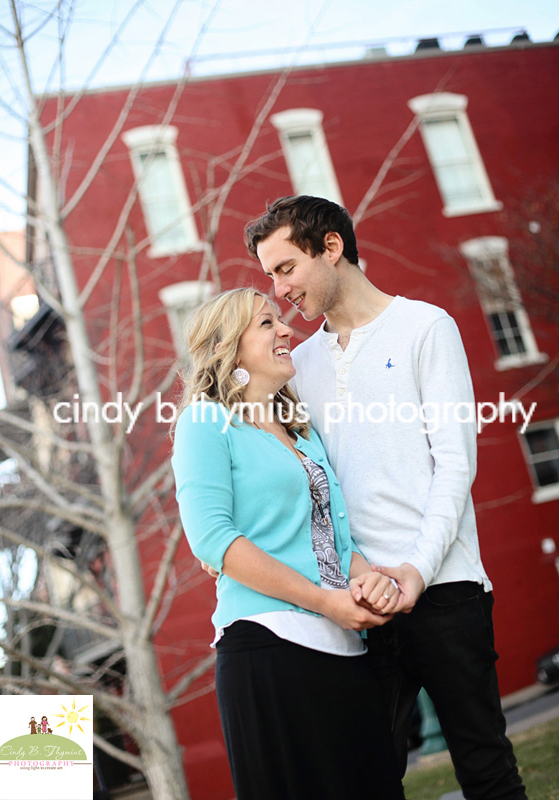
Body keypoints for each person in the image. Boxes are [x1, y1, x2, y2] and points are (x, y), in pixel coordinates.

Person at [245, 196, 528, 800]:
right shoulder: (296, 366)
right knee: (370, 781)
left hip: (445, 586)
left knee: (486, 769)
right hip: (360, 603)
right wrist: (359, 580)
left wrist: (417, 570)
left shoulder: (426, 328)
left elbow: (455, 465)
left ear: (331, 247)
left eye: (285, 267)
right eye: (269, 275)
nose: (277, 288)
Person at [171, 287, 405, 800]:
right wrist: (325, 601)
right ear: (229, 349)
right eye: (266, 324)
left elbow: (338, 537)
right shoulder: (206, 423)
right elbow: (213, 538)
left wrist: (369, 580)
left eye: (280, 320)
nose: (286, 331)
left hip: (346, 647)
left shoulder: (301, 433)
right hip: (271, 651)